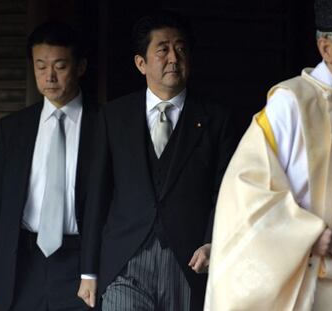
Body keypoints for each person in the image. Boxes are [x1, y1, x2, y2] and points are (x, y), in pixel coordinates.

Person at [77, 11, 235, 311]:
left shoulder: (216, 119)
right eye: (162, 50)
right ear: (141, 63)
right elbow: (97, 195)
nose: (173, 58)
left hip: (188, 263)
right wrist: (89, 271)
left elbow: (225, 192)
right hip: (124, 261)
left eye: (181, 49)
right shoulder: (114, 116)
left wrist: (213, 243)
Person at [204, 0, 332, 310]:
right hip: (301, 272)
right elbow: (245, 191)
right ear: (326, 48)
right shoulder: (291, 102)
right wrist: (308, 234)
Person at [0, 21, 97, 311]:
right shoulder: (14, 128)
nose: (49, 77)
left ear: (80, 67)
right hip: (21, 262)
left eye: (60, 66)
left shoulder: (105, 124)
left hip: (81, 263)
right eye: (41, 66)